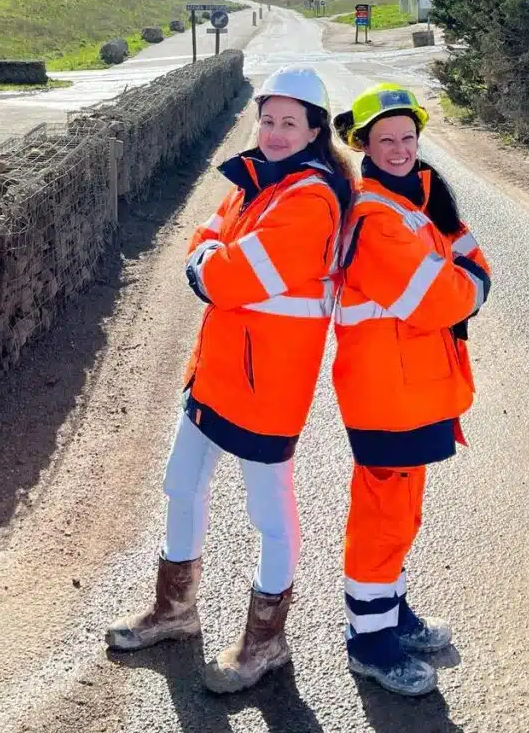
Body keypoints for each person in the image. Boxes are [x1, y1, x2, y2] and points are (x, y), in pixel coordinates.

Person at [106, 65, 353, 694]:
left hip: (267, 386)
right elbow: (207, 237)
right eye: (267, 119)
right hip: (217, 372)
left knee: (269, 515)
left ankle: (265, 642)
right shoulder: (258, 185)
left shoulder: (311, 198)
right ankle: (176, 611)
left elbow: (224, 277)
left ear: (315, 130)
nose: (272, 132)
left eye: (288, 123)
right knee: (180, 484)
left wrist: (209, 265)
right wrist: (209, 258)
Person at [331, 83, 491, 697]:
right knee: (382, 520)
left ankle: (391, 616)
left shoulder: (417, 200)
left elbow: (473, 260)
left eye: (409, 138)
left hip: (414, 389)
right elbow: (443, 296)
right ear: (363, 145)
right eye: (386, 140)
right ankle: (369, 645)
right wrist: (469, 282)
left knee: (402, 514)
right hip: (386, 394)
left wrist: (465, 272)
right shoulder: (374, 216)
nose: (400, 149)